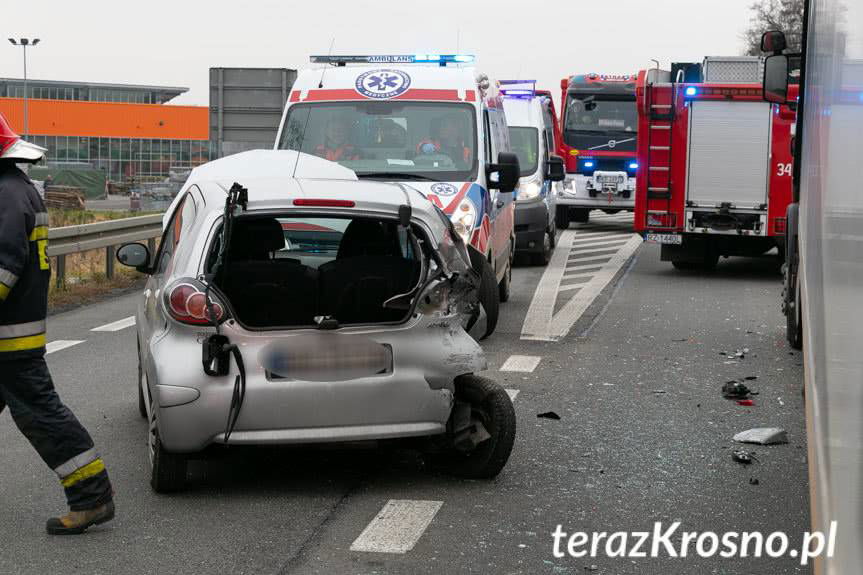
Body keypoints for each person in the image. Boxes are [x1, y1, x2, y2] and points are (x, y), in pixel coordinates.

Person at [0, 113, 115, 535]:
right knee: (41, 413)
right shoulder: (16, 190)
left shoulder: (7, 196)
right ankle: (92, 497)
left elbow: (5, 266)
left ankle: (92, 498)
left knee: (43, 417)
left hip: (9, 341)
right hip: (13, 334)